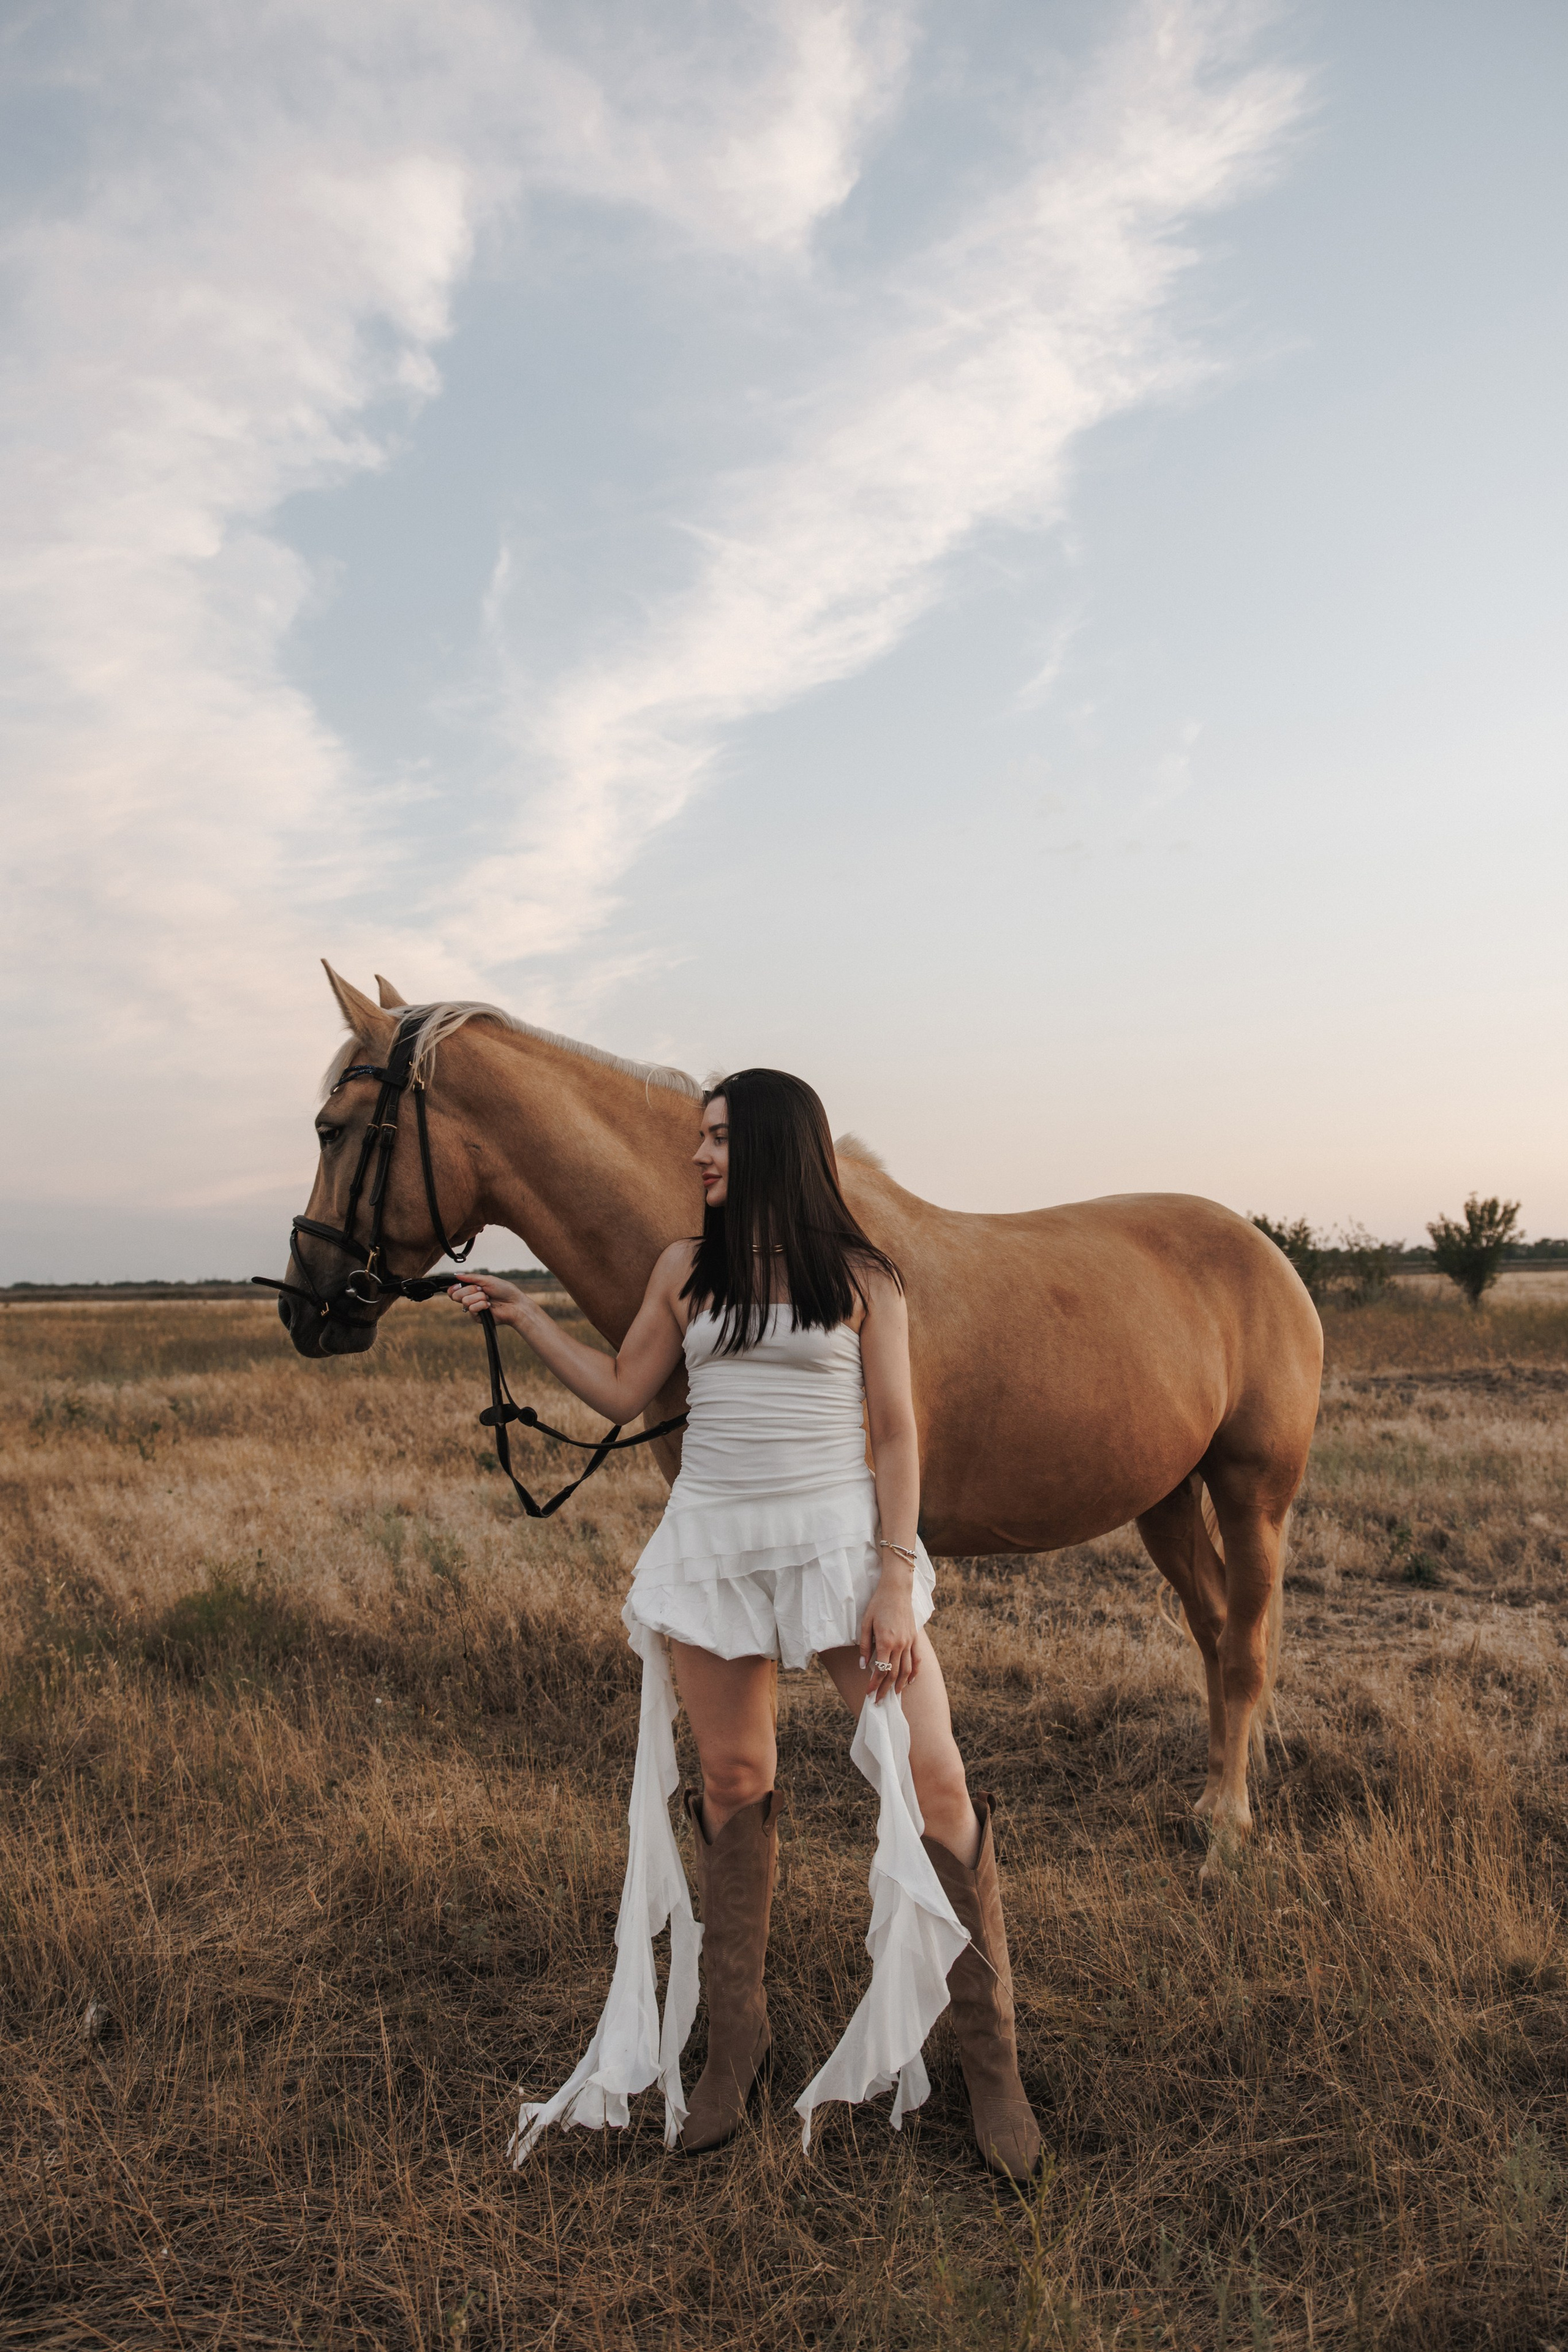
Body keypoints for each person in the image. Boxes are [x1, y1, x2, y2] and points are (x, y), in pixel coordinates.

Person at [449, 1068, 1041, 2180]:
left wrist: (892, 1578)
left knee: (936, 1781)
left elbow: (900, 1437)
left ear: (773, 1146)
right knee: (730, 1782)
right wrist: (525, 1313)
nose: (700, 1158)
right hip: (713, 1543)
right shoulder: (686, 1269)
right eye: (700, 1141)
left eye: (718, 1141)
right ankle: (735, 2048)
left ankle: (989, 2060)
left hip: (838, 1546)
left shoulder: (864, 1276)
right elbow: (626, 1392)